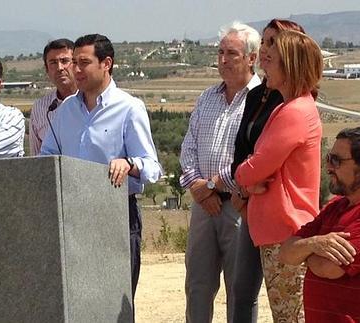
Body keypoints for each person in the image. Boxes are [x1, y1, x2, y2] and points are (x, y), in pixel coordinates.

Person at [40, 34, 162, 305]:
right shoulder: (66, 111)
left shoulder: (129, 108)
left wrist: (129, 164)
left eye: (84, 62)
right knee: (78, 302)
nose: (76, 70)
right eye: (74, 63)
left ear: (106, 63)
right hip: (72, 217)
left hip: (116, 215)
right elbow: (47, 155)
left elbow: (152, 167)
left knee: (114, 303)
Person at [235, 30, 324, 322]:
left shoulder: (294, 112)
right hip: (281, 231)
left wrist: (244, 175)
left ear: (290, 65)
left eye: (270, 61)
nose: (264, 68)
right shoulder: (292, 108)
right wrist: (248, 176)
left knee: (290, 317)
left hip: (285, 231)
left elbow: (254, 167)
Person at [179, 21, 260, 323]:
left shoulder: (261, 100)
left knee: (240, 291)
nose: (223, 60)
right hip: (203, 207)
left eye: (232, 54)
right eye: (220, 52)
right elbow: (188, 148)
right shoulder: (207, 97)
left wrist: (213, 185)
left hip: (239, 206)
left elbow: (254, 157)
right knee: (197, 286)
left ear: (252, 58)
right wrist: (199, 188)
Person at [279, 127, 360, 322]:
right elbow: (286, 253)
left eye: (336, 160)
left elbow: (328, 268)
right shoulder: (334, 208)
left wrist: (305, 254)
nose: (328, 167)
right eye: (328, 158)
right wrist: (314, 244)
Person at [29, 38, 77, 155]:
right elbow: (36, 155)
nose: (60, 68)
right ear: (46, 69)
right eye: (53, 63)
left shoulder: (91, 101)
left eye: (65, 61)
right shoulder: (41, 108)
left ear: (76, 64)